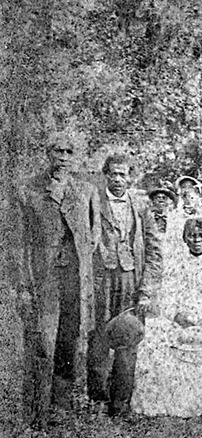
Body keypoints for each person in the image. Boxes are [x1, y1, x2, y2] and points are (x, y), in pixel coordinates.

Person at [12, 136, 101, 426]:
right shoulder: (28, 191)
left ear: (76, 156)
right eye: (57, 151)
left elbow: (93, 237)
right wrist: (24, 288)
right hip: (44, 281)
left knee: (69, 341)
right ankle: (35, 411)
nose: (63, 156)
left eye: (69, 151)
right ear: (47, 154)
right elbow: (19, 245)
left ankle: (61, 408)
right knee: (41, 343)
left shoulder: (86, 191)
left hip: (74, 281)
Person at [132, 218, 202, 417]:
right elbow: (169, 294)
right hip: (179, 315)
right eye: (192, 236)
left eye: (201, 236)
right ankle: (166, 401)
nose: (197, 240)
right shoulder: (175, 265)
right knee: (154, 340)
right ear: (185, 239)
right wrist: (178, 316)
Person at [91, 154, 162, 416]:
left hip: (131, 280)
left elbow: (154, 250)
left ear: (130, 177)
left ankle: (121, 403)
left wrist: (146, 290)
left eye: (123, 174)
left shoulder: (141, 206)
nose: (118, 179)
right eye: (113, 173)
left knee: (129, 337)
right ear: (105, 174)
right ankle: (97, 400)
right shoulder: (94, 200)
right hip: (101, 279)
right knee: (98, 337)